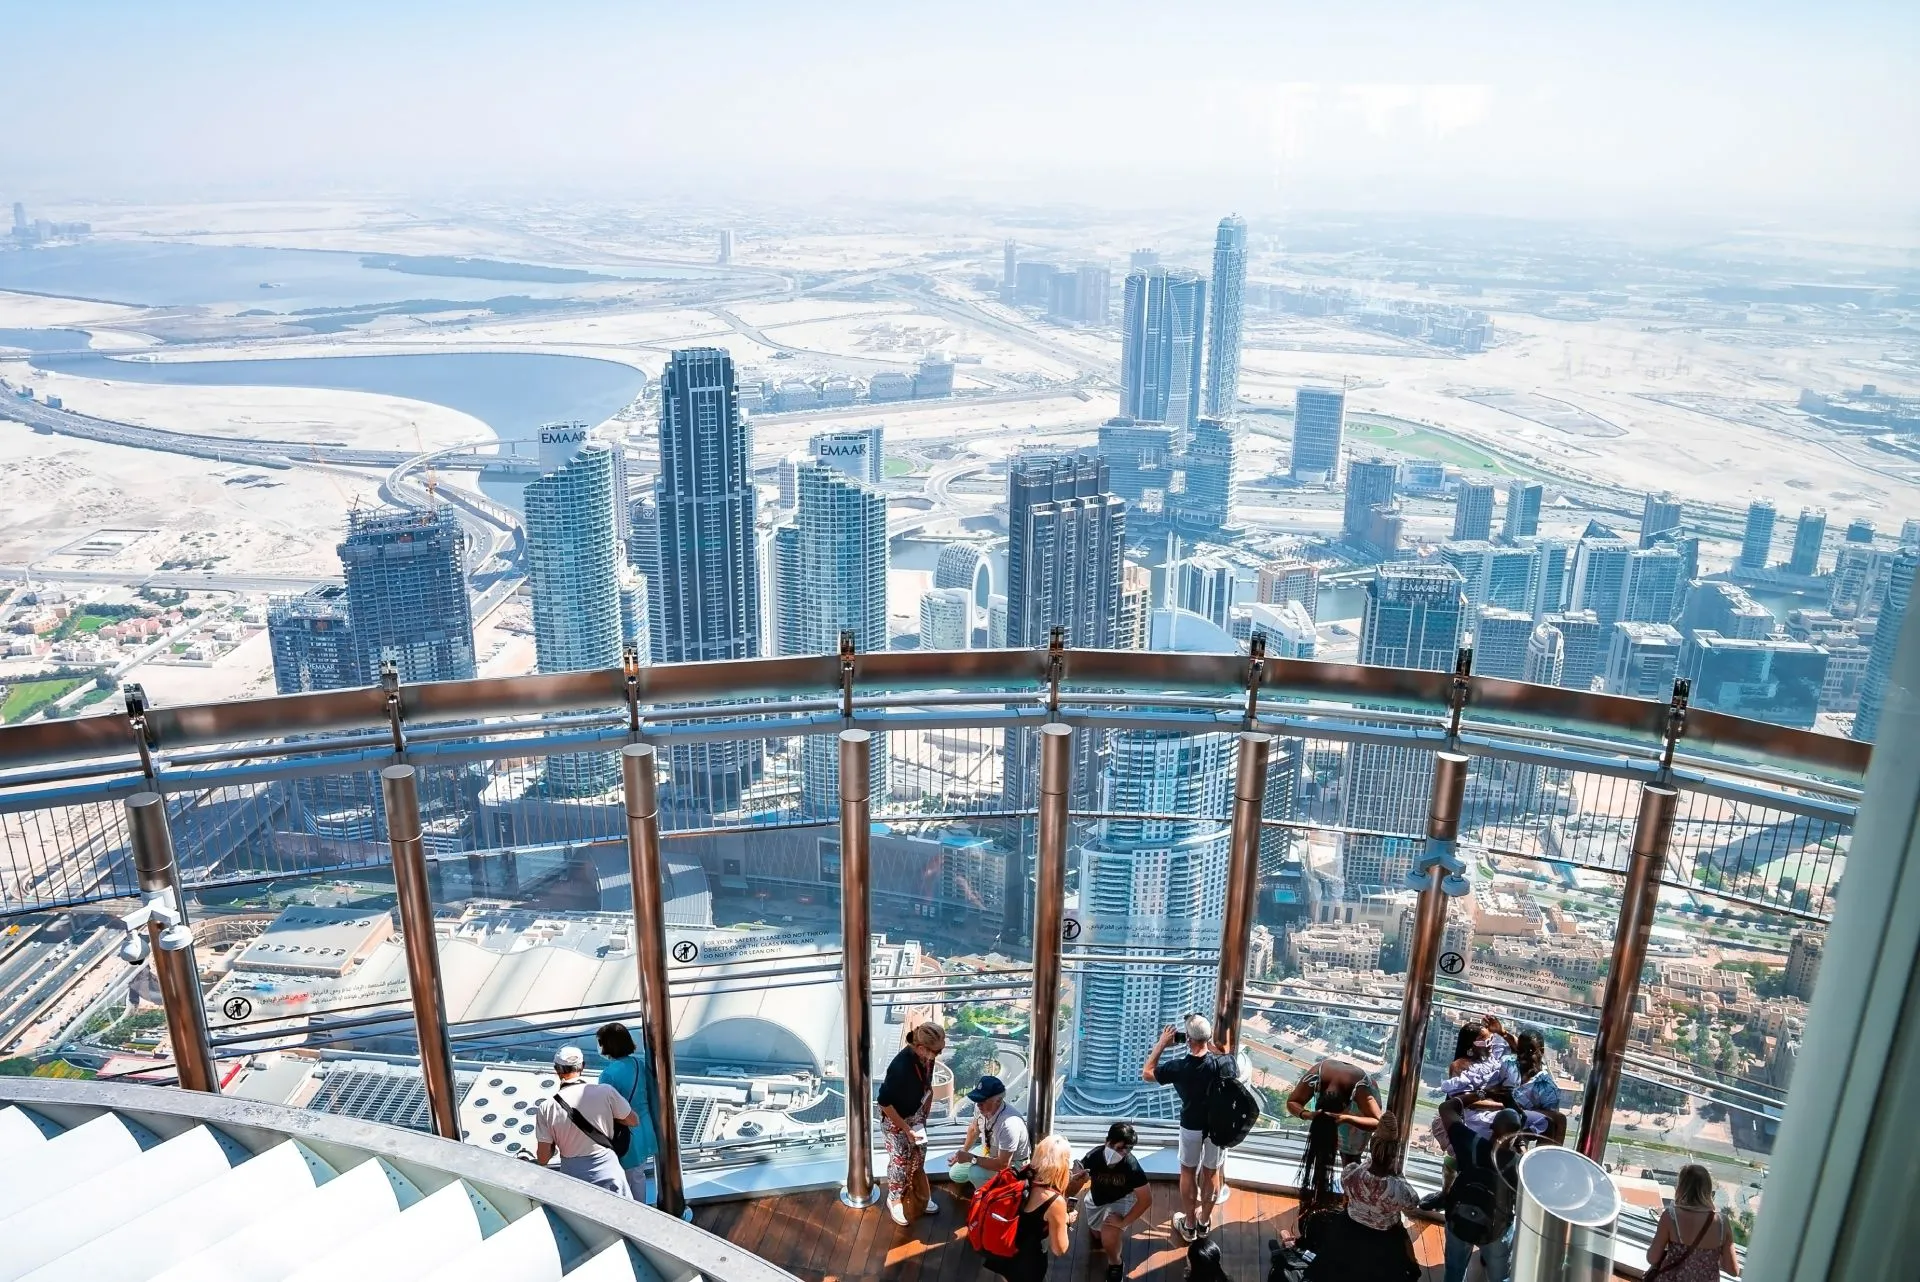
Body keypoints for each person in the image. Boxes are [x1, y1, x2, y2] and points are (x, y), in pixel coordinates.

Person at [1143, 1014, 1235, 1241]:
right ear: (1208, 1038)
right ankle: (1204, 1223)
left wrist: (1162, 1043)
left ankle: (1190, 1225)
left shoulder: (1179, 1067)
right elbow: (1221, 1054)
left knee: (1188, 1171)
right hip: (1217, 1125)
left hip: (1192, 1124)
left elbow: (1147, 1073)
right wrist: (1206, 1042)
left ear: (1188, 1040)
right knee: (1211, 1172)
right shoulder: (1225, 1063)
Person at [1309, 1113, 1420, 1281]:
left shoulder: (1351, 1173)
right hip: (1384, 1238)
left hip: (1348, 1228)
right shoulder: (1399, 1189)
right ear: (1394, 1153)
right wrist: (1398, 1175)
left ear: (1372, 1145)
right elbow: (1413, 1203)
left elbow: (1358, 1175)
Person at [534, 1045, 639, 1196]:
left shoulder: (547, 1107)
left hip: (573, 1177)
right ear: (583, 1066)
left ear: (557, 1070)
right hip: (608, 1171)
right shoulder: (605, 1092)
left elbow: (543, 1158)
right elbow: (633, 1121)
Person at [1438, 1098, 1523, 1282]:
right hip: (1495, 1229)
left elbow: (1445, 1108)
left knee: (1454, 1271)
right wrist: (1522, 1148)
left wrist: (1478, 1094)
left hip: (1459, 1219)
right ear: (1516, 1135)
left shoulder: (1471, 1144)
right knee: (1501, 1278)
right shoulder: (1520, 1166)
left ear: (1491, 1127)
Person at [879, 1021, 946, 1225]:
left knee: (919, 1154)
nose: (939, 1054)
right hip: (897, 1119)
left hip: (916, 1114)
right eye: (937, 1051)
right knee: (899, 1161)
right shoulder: (900, 1067)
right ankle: (895, 1198)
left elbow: (926, 1084)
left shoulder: (926, 1058)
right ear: (921, 1048)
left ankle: (919, 1194)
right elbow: (884, 1103)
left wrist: (925, 1109)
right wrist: (905, 1128)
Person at [1066, 1123, 1152, 1282]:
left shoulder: (1131, 1167)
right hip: (1097, 1199)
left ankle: (1115, 1263)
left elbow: (1146, 1199)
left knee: (1109, 1237)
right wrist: (1078, 1179)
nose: (1120, 1153)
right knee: (1097, 1236)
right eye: (1116, 1148)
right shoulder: (1094, 1156)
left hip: (1120, 1200)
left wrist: (1124, 1222)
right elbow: (1074, 1183)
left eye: (1125, 1150)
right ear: (1107, 1141)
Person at [593, 1021, 660, 1204]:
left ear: (607, 1045)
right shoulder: (639, 1064)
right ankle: (641, 1210)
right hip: (645, 1127)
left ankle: (634, 1214)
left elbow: (606, 1110)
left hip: (627, 1133)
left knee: (627, 1180)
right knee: (638, 1175)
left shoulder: (608, 1075)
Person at [1285, 1056, 1383, 1171]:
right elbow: (1293, 1102)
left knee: (1350, 1156)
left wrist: (1347, 1118)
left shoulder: (1361, 1089)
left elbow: (1378, 1122)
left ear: (1346, 1106)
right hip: (1340, 1102)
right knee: (1323, 1143)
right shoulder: (1316, 1075)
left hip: (1362, 1109)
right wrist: (1307, 1114)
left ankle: (1352, 1176)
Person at [998, 1134, 1073, 1282]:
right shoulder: (1054, 1202)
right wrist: (1066, 1219)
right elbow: (1059, 1249)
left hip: (1004, 1251)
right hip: (1028, 1263)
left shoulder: (1021, 1175)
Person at [1645, 1165, 1740, 1279]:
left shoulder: (1671, 1216)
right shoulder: (1722, 1223)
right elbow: (1733, 1270)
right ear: (1708, 1190)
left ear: (1681, 1188)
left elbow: (1652, 1258)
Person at [947, 1074, 1031, 1198]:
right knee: (956, 1174)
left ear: (998, 1101)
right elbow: (974, 1129)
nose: (978, 1104)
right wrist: (963, 1151)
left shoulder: (1009, 1124)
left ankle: (994, 1197)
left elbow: (1003, 1164)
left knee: (975, 1173)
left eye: (982, 1101)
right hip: (989, 1150)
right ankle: (991, 1182)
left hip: (1013, 1163)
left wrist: (971, 1158)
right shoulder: (981, 1108)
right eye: (977, 1100)